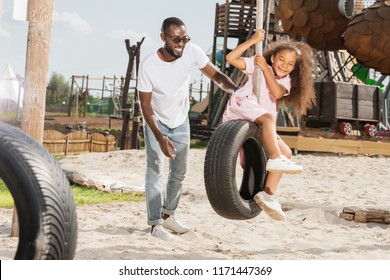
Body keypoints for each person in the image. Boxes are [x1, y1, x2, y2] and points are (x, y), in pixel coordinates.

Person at [137, 17, 238, 240]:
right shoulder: (148, 66)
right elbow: (145, 106)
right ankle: (155, 225)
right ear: (163, 37)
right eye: (176, 39)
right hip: (156, 122)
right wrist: (160, 137)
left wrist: (237, 91)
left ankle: (168, 215)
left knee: (179, 172)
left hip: (180, 120)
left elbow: (218, 76)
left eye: (184, 38)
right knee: (155, 171)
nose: (181, 44)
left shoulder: (192, 52)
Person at [223, 29, 316, 221]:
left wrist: (266, 69)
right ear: (272, 57)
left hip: (261, 120)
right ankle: (275, 156)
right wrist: (253, 40)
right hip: (243, 107)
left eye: (290, 64)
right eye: (281, 59)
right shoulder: (256, 67)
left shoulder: (287, 80)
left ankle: (268, 193)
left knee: (287, 153)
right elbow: (231, 57)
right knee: (268, 121)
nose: (285, 65)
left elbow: (276, 93)